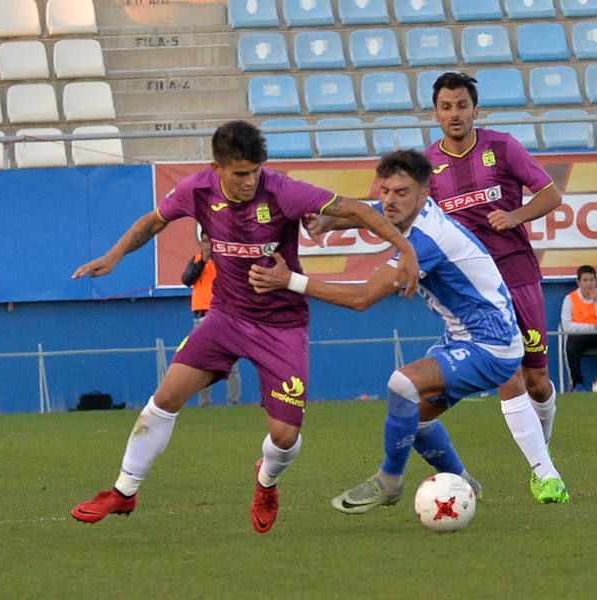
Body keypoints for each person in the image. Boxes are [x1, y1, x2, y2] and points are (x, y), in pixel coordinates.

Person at [69, 120, 419, 532]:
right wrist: (113, 257)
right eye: (240, 173)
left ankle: (266, 480)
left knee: (285, 437)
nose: (251, 180)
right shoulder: (196, 190)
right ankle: (123, 492)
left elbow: (359, 210)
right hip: (226, 317)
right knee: (165, 398)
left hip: (283, 327)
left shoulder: (284, 190)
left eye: (255, 170)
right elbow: (154, 221)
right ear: (217, 168)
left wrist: (405, 248)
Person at [249, 149, 533, 510]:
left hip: (491, 345)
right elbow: (380, 215)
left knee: (403, 384)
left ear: (424, 195)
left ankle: (389, 481)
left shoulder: (425, 241)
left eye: (401, 192)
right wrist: (331, 222)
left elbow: (363, 298)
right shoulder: (415, 218)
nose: (389, 200)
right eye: (385, 190)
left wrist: (289, 280)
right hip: (466, 338)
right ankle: (462, 483)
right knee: (412, 420)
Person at [423, 72, 568, 503]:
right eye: (446, 107)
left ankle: (541, 457)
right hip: (474, 289)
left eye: (461, 105)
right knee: (510, 375)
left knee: (537, 380)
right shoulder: (427, 165)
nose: (454, 114)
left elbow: (552, 194)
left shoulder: (501, 147)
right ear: (435, 112)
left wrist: (516, 216)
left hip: (517, 271)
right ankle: (545, 472)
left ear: (475, 110)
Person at [181, 230, 241, 407]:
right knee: (202, 361)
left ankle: (233, 402)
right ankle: (204, 402)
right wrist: (203, 261)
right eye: (204, 241)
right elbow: (187, 279)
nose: (207, 245)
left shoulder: (225, 262)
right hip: (202, 317)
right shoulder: (197, 260)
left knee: (231, 362)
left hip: (224, 315)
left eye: (210, 241)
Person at [560, 265, 597, 392]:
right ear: (579, 282)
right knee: (570, 343)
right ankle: (577, 384)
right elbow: (567, 326)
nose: (589, 284)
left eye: (592, 280)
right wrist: (592, 326)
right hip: (581, 335)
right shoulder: (570, 299)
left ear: (596, 281)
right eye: (585, 280)